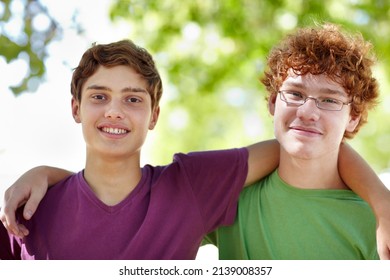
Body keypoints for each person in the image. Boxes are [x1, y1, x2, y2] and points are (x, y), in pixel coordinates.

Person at [1, 38, 390, 260]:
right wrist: (47, 175)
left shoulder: (191, 190)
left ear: (154, 115)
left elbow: (301, 144)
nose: (308, 111)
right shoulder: (26, 214)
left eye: (133, 99)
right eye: (99, 96)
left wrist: (382, 204)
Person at [204, 23, 390, 259]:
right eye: (295, 94)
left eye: (330, 100)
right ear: (273, 102)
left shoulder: (377, 226)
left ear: (353, 118)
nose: (307, 112)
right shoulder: (229, 202)